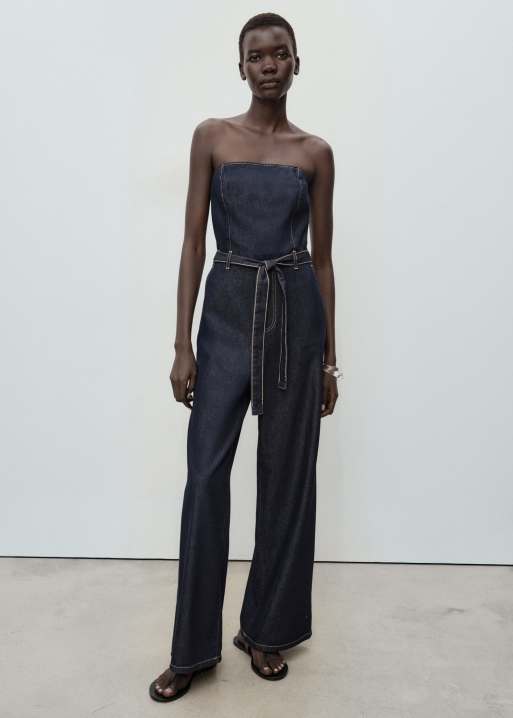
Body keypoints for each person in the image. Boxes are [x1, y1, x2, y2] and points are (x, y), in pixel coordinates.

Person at [149, 11, 340, 703]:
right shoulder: (212, 137)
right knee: (206, 477)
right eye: (256, 55)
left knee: (287, 479)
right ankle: (191, 649)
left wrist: (330, 360)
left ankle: (265, 630)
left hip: (294, 316)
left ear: (296, 63)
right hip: (227, 310)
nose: (268, 65)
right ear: (240, 67)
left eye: (279, 54)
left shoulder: (314, 152)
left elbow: (322, 261)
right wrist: (182, 343)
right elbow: (192, 243)